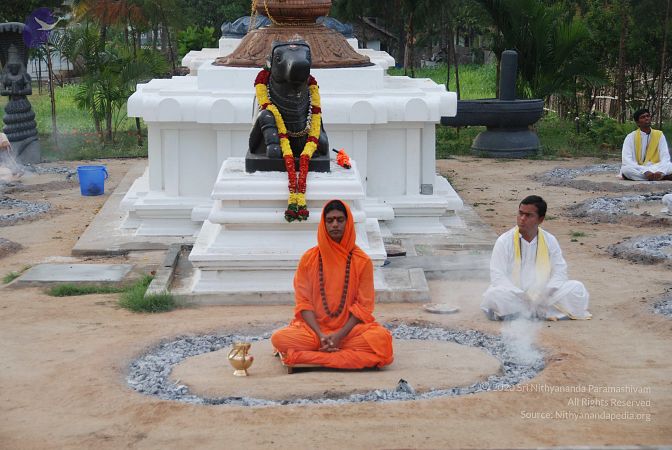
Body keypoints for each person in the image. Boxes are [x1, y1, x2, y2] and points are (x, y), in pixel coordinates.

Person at [271, 199, 394, 369]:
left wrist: (339, 335)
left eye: (340, 220)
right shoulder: (309, 259)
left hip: (349, 332)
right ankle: (336, 351)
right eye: (330, 220)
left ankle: (306, 356)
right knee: (279, 338)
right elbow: (304, 303)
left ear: (348, 223)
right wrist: (321, 334)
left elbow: (363, 307)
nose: (335, 225)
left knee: (382, 339)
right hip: (314, 331)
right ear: (324, 224)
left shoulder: (362, 261)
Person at [481, 195, 592, 321]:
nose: (522, 218)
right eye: (520, 213)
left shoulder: (550, 240)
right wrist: (522, 296)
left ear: (541, 219)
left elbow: (560, 272)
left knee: (577, 288)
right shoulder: (504, 241)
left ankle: (526, 313)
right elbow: (497, 275)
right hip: (515, 295)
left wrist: (545, 295)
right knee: (494, 295)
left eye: (529, 215)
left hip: (543, 295)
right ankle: (538, 312)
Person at [621, 108, 672, 181]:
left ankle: (654, 176)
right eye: (643, 117)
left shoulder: (659, 135)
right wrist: (644, 171)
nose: (646, 118)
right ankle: (662, 177)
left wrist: (661, 171)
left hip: (656, 167)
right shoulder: (630, 137)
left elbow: (665, 157)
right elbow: (626, 160)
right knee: (626, 170)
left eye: (648, 116)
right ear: (637, 123)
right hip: (638, 167)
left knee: (669, 166)